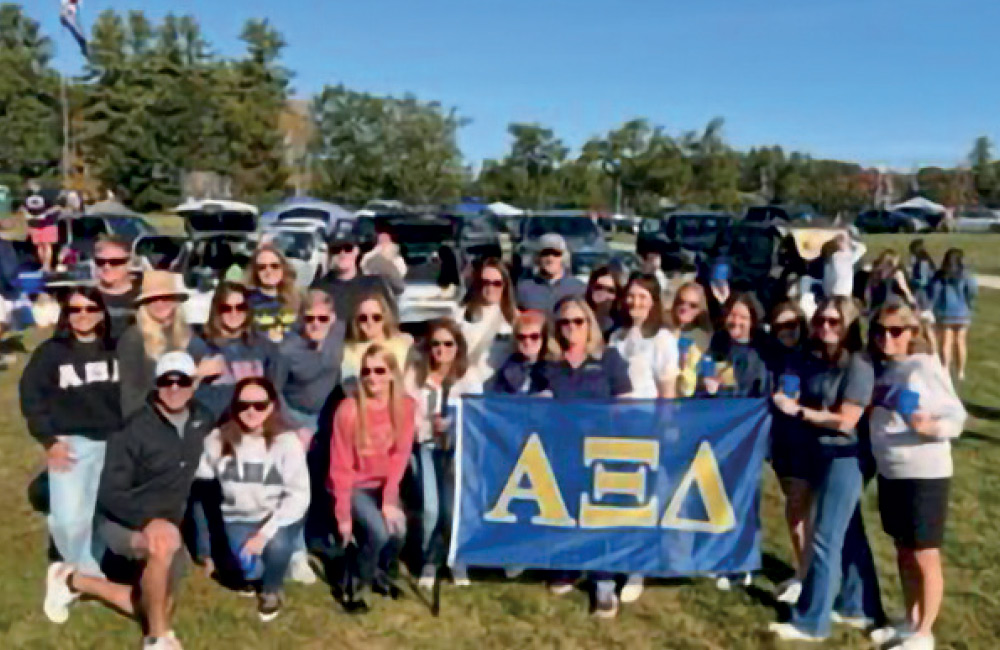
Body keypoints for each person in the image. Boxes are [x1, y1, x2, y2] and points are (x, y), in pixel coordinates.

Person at [45, 352, 214, 649]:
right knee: (160, 550)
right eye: (166, 382)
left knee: (155, 603)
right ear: (156, 385)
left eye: (182, 381)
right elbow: (110, 493)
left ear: (194, 384)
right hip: (121, 521)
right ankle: (157, 639)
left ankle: (74, 581)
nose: (174, 389)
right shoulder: (132, 429)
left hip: (171, 525)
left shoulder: (203, 419)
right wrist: (149, 523)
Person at [769, 297, 884, 642]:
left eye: (835, 322)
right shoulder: (815, 360)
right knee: (849, 534)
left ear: (849, 325)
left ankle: (811, 622)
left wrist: (800, 412)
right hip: (820, 453)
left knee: (825, 539)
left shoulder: (859, 366)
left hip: (846, 456)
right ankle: (858, 607)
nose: (826, 328)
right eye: (821, 321)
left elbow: (847, 421)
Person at [867, 302, 966, 650]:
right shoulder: (883, 368)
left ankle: (925, 632)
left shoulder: (924, 365)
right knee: (903, 549)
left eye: (896, 331)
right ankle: (910, 620)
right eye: (880, 330)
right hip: (891, 470)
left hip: (924, 473)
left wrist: (932, 426)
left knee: (925, 553)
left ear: (912, 333)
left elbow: (957, 416)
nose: (887, 337)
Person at [536, 296, 631, 618]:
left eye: (579, 321)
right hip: (562, 449)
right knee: (565, 510)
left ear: (590, 324)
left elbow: (626, 402)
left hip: (603, 449)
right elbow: (538, 404)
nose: (571, 328)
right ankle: (569, 566)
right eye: (564, 322)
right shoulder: (549, 363)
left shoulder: (608, 359)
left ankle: (604, 583)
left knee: (599, 515)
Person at [20, 287, 122, 586]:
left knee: (105, 512)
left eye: (90, 309)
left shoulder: (117, 349)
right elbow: (32, 398)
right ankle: (85, 573)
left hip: (115, 441)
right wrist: (50, 442)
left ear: (101, 312)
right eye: (75, 310)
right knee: (67, 519)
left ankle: (91, 572)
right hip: (71, 443)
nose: (83, 316)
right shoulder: (50, 354)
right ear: (66, 314)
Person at [195, 377, 311, 622]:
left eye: (259, 405)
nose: (251, 411)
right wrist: (206, 550)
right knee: (247, 571)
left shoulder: (287, 442)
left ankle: (272, 590)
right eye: (243, 405)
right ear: (234, 407)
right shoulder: (216, 440)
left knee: (277, 546)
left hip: (277, 515)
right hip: (236, 517)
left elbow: (299, 496)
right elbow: (202, 490)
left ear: (271, 407)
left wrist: (264, 534)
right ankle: (261, 568)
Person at [329, 344, 416, 610]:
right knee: (377, 532)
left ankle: (383, 574)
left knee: (398, 530)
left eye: (380, 370)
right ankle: (356, 585)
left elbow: (401, 456)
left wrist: (389, 499)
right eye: (366, 371)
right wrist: (343, 516)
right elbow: (340, 466)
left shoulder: (405, 406)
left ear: (392, 374)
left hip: (383, 484)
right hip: (355, 485)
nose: (372, 377)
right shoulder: (349, 410)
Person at [407, 319, 484, 589]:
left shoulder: (468, 377)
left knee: (452, 509)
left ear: (457, 347)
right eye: (435, 344)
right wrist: (426, 427)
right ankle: (429, 559)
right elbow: (408, 413)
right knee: (430, 507)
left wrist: (453, 424)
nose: (441, 350)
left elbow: (478, 415)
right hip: (426, 447)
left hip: (457, 451)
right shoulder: (415, 375)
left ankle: (455, 560)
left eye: (448, 344)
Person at [762, 301, 814, 604]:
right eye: (780, 326)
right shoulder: (774, 356)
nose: (787, 332)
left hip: (805, 440)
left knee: (799, 510)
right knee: (795, 509)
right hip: (780, 440)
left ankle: (807, 575)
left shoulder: (811, 356)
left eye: (793, 325)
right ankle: (802, 568)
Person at [188, 282, 285, 422]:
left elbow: (274, 393)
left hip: (253, 425)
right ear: (217, 311)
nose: (234, 313)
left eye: (240, 307)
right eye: (226, 308)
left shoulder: (261, 345)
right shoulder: (200, 345)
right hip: (213, 425)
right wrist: (197, 375)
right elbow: (179, 393)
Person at [117, 271, 200, 417]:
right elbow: (131, 393)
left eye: (166, 298)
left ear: (176, 301)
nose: (160, 304)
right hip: (150, 419)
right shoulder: (133, 338)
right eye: (153, 299)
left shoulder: (187, 334)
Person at [278, 290, 346, 433]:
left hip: (331, 411)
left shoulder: (338, 332)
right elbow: (274, 391)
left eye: (322, 318)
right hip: (299, 416)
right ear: (301, 319)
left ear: (332, 318)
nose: (316, 324)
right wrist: (295, 426)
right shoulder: (287, 350)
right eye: (310, 318)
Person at [609, 274, 678, 399]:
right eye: (631, 296)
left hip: (646, 413)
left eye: (642, 297)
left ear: (653, 301)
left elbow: (667, 391)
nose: (635, 302)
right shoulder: (616, 336)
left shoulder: (662, 338)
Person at [311, 232, 400, 321]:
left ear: (357, 251)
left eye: (348, 248)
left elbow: (391, 318)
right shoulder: (319, 287)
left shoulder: (375, 284)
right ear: (329, 254)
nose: (342, 253)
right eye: (336, 249)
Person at [701, 293, 770, 399]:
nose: (736, 321)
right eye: (732, 315)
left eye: (743, 317)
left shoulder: (762, 351)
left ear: (752, 321)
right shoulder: (717, 344)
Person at [458, 258, 516, 379]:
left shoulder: (515, 318)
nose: (490, 288)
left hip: (499, 386)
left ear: (505, 285)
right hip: (465, 382)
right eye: (485, 282)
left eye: (497, 283)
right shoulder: (460, 315)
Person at [340, 292, 413, 387]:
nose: (370, 322)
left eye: (376, 317)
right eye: (363, 318)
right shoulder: (347, 350)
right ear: (356, 321)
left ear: (384, 317)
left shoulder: (402, 345)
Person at [928, 248, 977, 381]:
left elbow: (934, 292)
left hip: (945, 312)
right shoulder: (965, 274)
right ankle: (961, 371)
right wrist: (970, 304)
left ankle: (945, 369)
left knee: (946, 342)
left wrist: (932, 307)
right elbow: (972, 291)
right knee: (961, 342)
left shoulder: (940, 275)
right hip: (962, 312)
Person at [515, 233, 586, 313]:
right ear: (537, 258)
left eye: (556, 254)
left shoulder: (579, 289)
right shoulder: (524, 289)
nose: (550, 259)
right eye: (545, 254)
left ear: (564, 257)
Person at [667, 282, 714, 397]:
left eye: (692, 305)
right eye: (681, 302)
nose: (684, 308)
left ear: (700, 310)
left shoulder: (704, 339)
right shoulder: (663, 332)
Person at [245, 244, 300, 342]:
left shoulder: (297, 299)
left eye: (274, 266)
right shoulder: (247, 302)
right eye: (262, 267)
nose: (269, 271)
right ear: (255, 271)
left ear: (283, 268)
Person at [489, 309, 552, 394]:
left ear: (544, 338)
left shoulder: (556, 367)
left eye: (534, 336)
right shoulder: (508, 370)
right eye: (521, 337)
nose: (527, 342)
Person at [93, 235, 141, 341]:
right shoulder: (85, 297)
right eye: (100, 262)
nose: (107, 267)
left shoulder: (145, 294)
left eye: (115, 262)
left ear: (129, 263)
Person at [907, 240, 938, 354]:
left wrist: (909, 281)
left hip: (922, 298)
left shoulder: (922, 263)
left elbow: (922, 281)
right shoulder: (925, 262)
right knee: (924, 325)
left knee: (925, 325)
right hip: (924, 297)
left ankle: (932, 351)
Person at [865, 249, 917, 313]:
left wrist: (911, 300)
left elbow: (904, 287)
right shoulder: (875, 270)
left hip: (893, 300)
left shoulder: (897, 272)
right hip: (880, 301)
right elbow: (869, 288)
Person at [23, 192, 59, 272]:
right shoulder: (26, 196)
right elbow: (22, 209)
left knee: (47, 245)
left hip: (47, 224)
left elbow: (57, 207)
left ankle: (47, 266)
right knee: (39, 246)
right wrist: (28, 216)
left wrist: (46, 214)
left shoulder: (47, 194)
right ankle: (43, 266)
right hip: (34, 225)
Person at [585, 265, 623, 341]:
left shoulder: (621, 325)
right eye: (599, 287)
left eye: (610, 290)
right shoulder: (579, 319)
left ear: (617, 295)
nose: (603, 293)